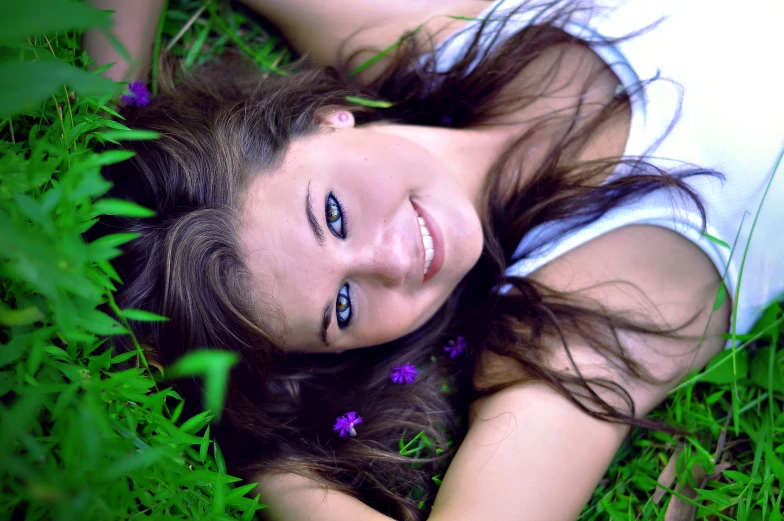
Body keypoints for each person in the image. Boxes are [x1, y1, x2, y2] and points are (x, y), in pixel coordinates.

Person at [87, 0, 784, 519]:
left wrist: (92, 141)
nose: (391, 259)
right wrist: (256, 455)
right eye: (344, 305)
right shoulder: (582, 320)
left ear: (325, 117)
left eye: (333, 214)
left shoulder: (415, 36)